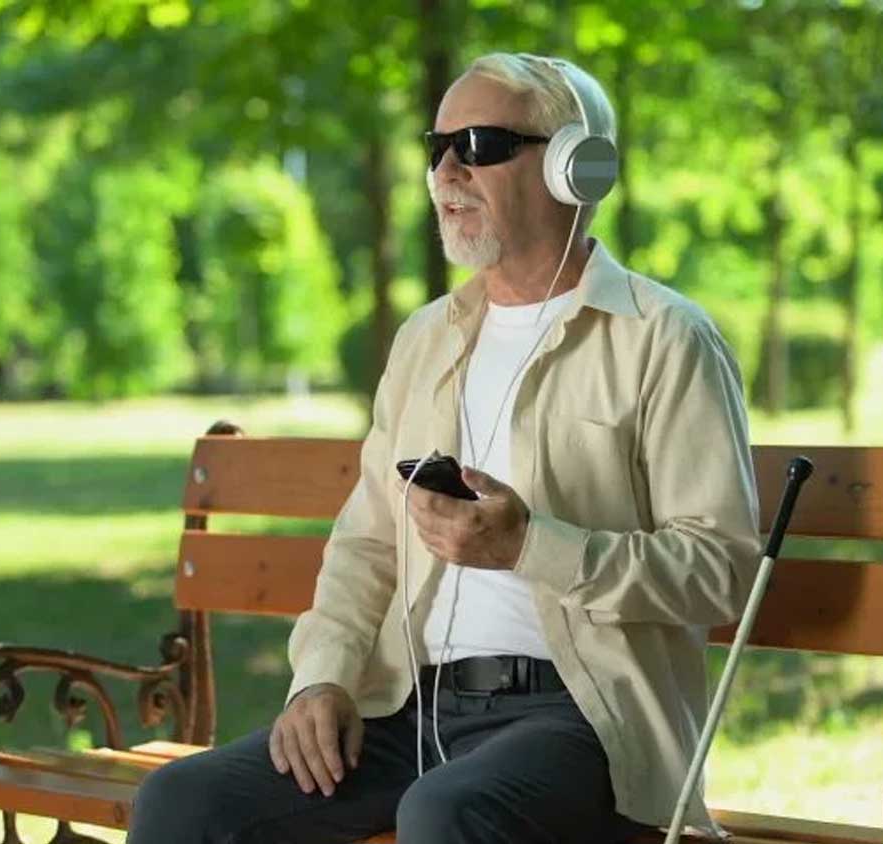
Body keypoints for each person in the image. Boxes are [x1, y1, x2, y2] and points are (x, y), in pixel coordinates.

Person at [127, 51, 761, 844]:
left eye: (483, 144)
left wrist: (532, 547)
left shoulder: (664, 339)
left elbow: (722, 573)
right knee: (182, 803)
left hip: (587, 717)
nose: (448, 170)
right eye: (437, 146)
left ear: (574, 168)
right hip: (405, 706)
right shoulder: (427, 339)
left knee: (444, 812)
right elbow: (366, 544)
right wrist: (321, 679)